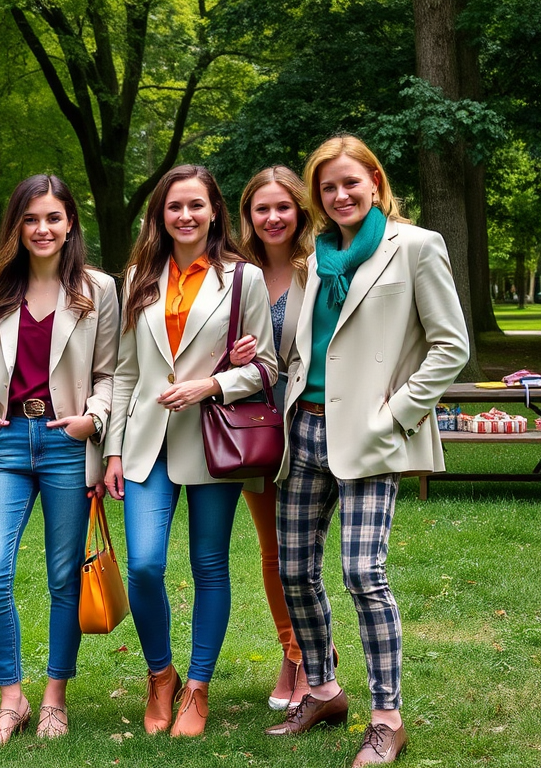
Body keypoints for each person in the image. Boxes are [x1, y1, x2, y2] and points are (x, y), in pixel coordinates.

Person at [264, 135, 468, 768]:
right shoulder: (314, 256)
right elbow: (312, 343)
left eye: (351, 182)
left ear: (375, 182)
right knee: (294, 569)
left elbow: (450, 346)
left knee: (361, 572)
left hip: (373, 433)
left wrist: (397, 416)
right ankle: (323, 691)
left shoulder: (415, 247)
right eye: (327, 187)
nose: (340, 195)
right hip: (306, 429)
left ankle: (387, 718)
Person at [104, 165, 277, 738]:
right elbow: (126, 372)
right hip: (145, 441)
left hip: (212, 443)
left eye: (196, 206)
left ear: (214, 211)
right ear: (160, 213)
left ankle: (198, 687)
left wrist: (213, 384)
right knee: (146, 565)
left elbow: (266, 368)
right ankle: (161, 676)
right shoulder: (137, 277)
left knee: (209, 566)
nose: (185, 216)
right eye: (174, 206)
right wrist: (111, 451)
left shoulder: (243, 278)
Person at [0, 174, 118, 747]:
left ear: (70, 223)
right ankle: (12, 700)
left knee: (63, 577)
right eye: (30, 219)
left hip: (66, 442)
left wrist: (95, 420)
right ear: (17, 226)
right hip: (6, 442)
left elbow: (111, 373)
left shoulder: (98, 290)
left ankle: (54, 697)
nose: (42, 229)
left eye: (53, 217)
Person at [230, 166, 314, 710]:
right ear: (248, 216)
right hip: (255, 424)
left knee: (301, 550)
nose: (273, 217)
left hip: (308, 418)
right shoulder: (236, 274)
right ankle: (293, 653)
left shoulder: (322, 269)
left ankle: (308, 662)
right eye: (262, 208)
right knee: (272, 549)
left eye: (283, 206)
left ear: (300, 210)